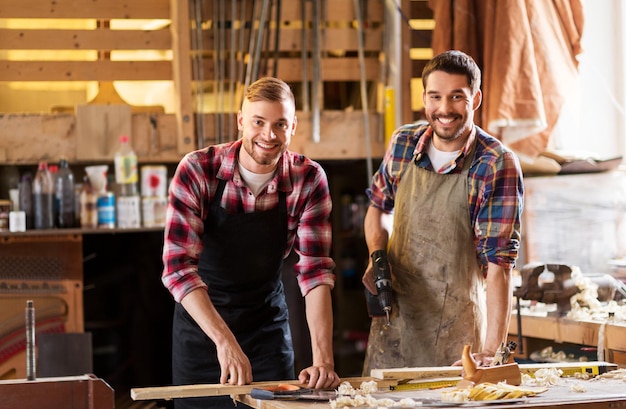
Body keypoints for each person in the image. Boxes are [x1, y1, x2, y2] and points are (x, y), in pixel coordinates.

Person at [162, 77, 341, 409]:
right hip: (203, 333)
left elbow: (315, 273)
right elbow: (177, 270)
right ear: (241, 120)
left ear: (292, 126)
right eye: (258, 122)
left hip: (266, 332)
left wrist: (324, 361)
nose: (268, 135)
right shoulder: (198, 170)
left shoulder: (309, 179)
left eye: (280, 124)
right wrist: (225, 342)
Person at [361, 50, 524, 374]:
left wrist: (491, 351)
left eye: (456, 97)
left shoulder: (495, 163)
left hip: (459, 335)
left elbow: (499, 265)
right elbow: (378, 208)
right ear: (424, 98)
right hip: (396, 325)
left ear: (475, 98)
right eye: (436, 97)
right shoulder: (404, 142)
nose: (445, 109)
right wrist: (378, 257)